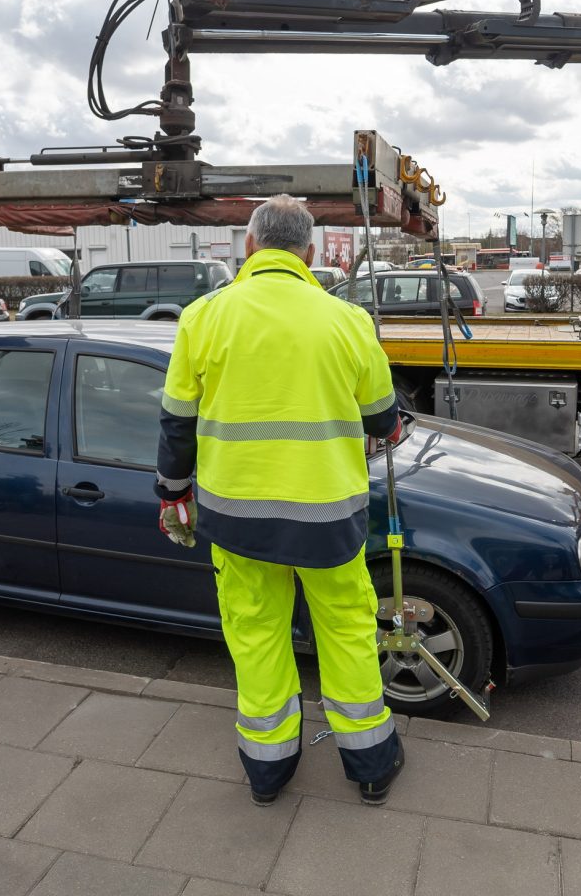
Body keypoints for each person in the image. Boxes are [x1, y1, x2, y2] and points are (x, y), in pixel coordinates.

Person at [155, 194, 406, 807]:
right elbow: (383, 421)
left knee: (255, 632)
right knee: (346, 629)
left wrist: (172, 494)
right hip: (328, 514)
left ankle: (268, 770)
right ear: (310, 252)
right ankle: (370, 764)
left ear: (250, 246)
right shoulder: (347, 321)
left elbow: (176, 424)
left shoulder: (201, 318)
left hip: (236, 517)